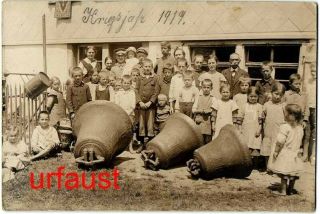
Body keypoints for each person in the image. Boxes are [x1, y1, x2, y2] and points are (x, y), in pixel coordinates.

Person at [268, 104, 304, 196]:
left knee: (284, 173)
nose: (285, 115)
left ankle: (283, 191)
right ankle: (290, 190)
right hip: (296, 154)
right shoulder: (300, 128)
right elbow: (300, 141)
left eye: (286, 113)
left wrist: (276, 151)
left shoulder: (285, 127)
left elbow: (280, 141)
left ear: (291, 115)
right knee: (293, 173)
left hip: (286, 153)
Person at [283, 73, 309, 162]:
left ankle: (296, 158)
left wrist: (305, 120)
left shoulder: (304, 95)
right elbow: (283, 107)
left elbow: (306, 108)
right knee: (289, 139)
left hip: (299, 121)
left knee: (297, 139)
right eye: (296, 84)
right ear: (290, 84)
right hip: (289, 121)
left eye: (299, 84)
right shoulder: (286, 94)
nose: (298, 86)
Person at [260, 82, 286, 171]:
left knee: (276, 148)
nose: (278, 96)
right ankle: (268, 167)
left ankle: (276, 167)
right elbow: (262, 117)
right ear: (272, 92)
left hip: (278, 130)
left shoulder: (283, 106)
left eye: (280, 95)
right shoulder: (267, 105)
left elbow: (286, 118)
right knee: (267, 147)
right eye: (276, 94)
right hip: (268, 130)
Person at [136, 58, 159, 146]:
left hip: (150, 106)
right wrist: (140, 102)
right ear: (142, 67)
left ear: (152, 67)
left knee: (150, 125)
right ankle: (142, 145)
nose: (147, 68)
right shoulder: (139, 78)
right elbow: (136, 90)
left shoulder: (155, 77)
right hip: (141, 105)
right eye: (145, 66)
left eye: (149, 66)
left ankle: (149, 145)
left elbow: (156, 92)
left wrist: (150, 102)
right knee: (141, 125)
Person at [240, 86, 263, 166]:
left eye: (255, 96)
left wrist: (259, 130)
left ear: (258, 97)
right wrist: (239, 129)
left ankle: (255, 165)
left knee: (255, 146)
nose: (253, 98)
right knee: (246, 146)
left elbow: (261, 121)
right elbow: (240, 119)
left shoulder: (259, 107)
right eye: (251, 96)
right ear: (247, 96)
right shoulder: (244, 106)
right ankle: (246, 164)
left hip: (255, 130)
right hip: (246, 130)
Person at [192, 79, 215, 144]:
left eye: (208, 87)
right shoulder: (198, 97)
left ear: (211, 88)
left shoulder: (213, 98)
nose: (206, 89)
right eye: (204, 87)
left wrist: (209, 111)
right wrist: (199, 111)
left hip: (208, 122)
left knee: (208, 139)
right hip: (199, 121)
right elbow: (193, 109)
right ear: (201, 88)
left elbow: (214, 109)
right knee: (199, 138)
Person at [305, 63, 316, 165]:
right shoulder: (308, 82)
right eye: (312, 71)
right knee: (307, 131)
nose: (314, 74)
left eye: (316, 71)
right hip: (309, 108)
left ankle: (312, 155)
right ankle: (305, 155)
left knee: (315, 132)